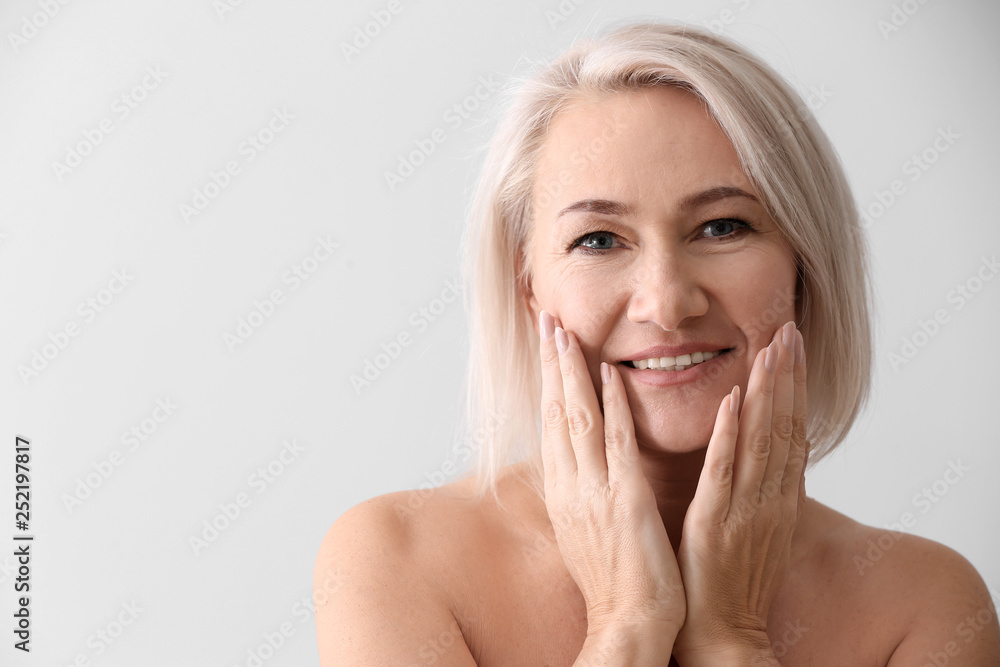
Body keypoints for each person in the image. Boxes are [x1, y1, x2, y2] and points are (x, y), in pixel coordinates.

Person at [315, 21, 1000, 665]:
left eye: (723, 226)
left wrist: (734, 640)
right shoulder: (394, 559)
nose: (667, 302)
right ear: (531, 289)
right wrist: (626, 623)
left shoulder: (923, 602)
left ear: (804, 268)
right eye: (599, 239)